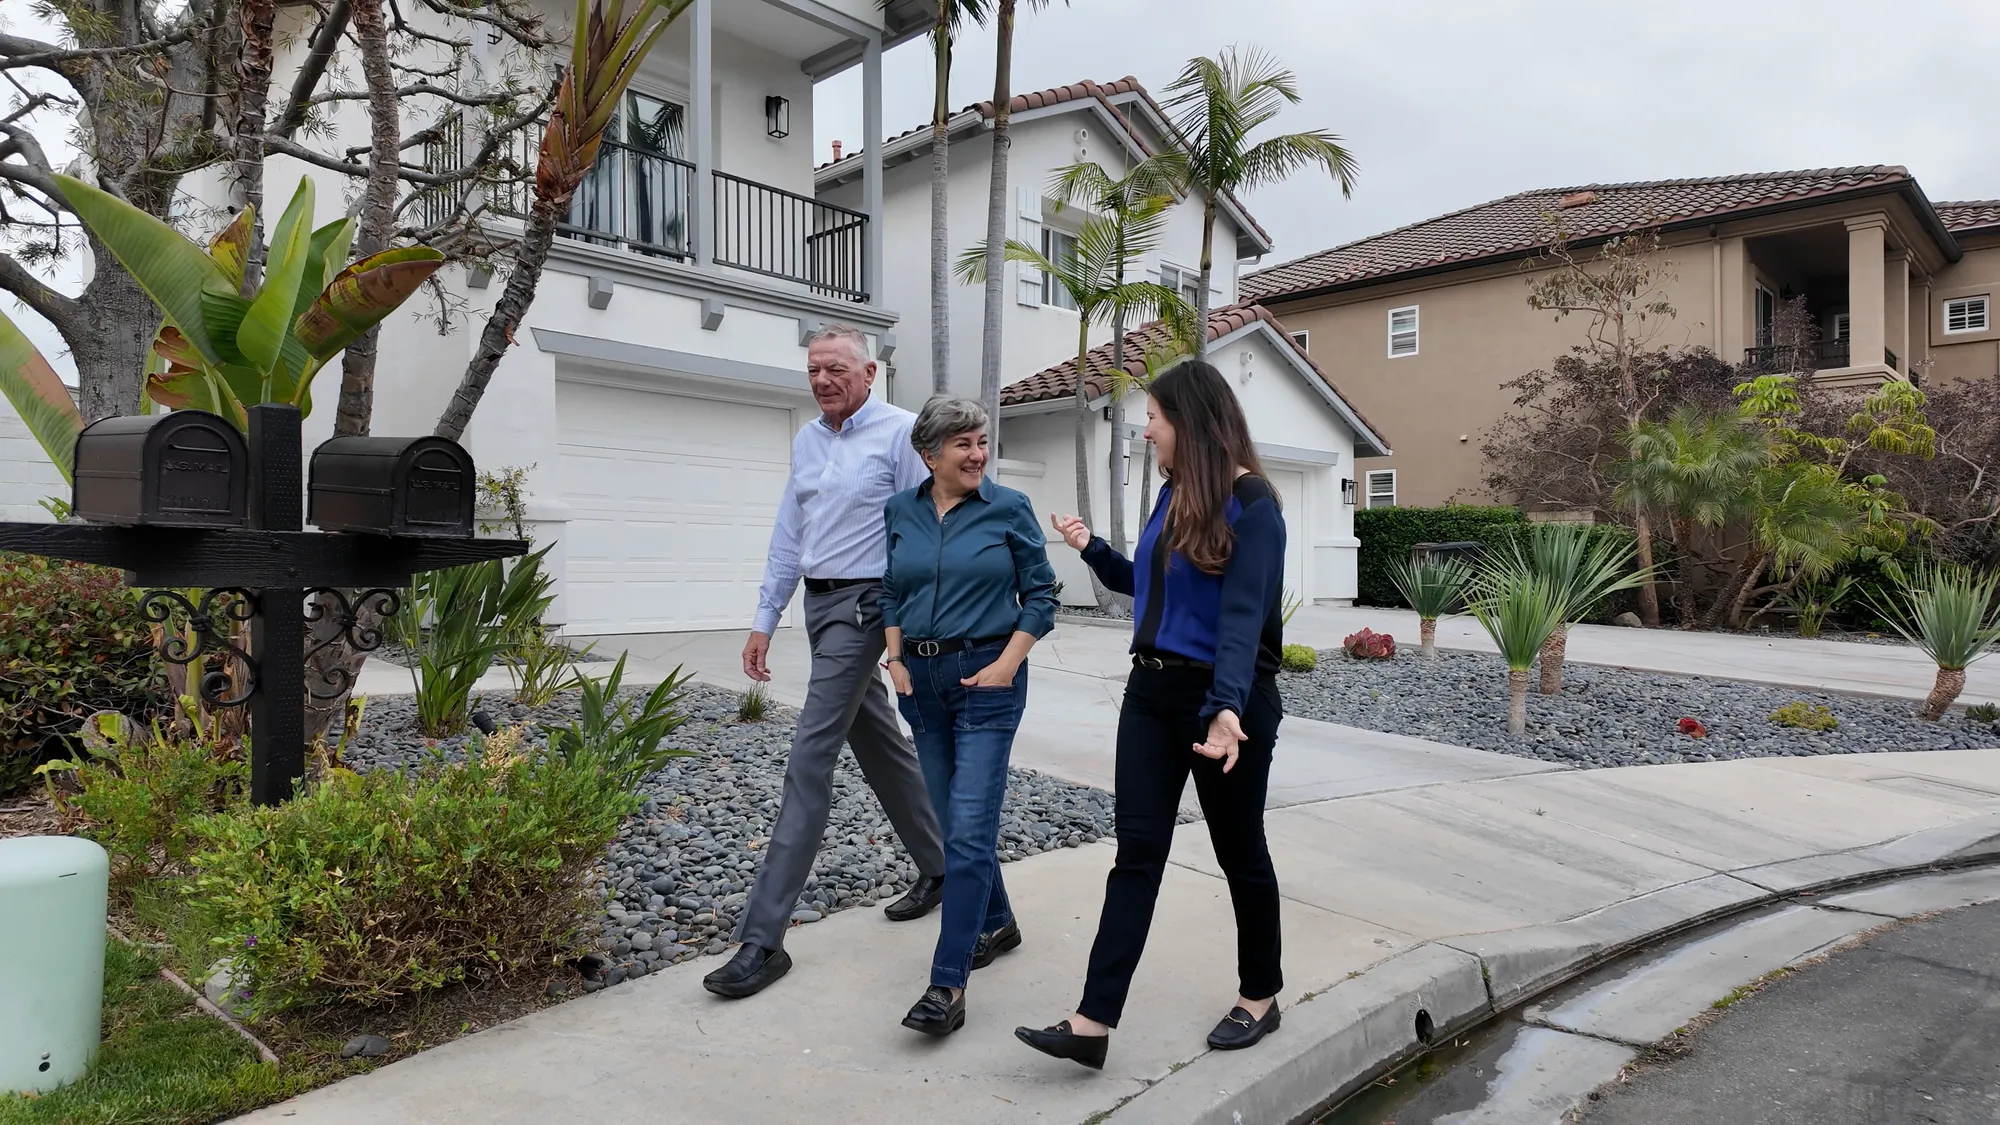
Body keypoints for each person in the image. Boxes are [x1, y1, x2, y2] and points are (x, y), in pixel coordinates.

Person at [1015, 359, 1288, 1069]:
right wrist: (1092, 550)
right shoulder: (1174, 494)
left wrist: (1225, 708)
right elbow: (1151, 586)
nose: (1147, 430)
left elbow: (1241, 617)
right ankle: (1091, 1022)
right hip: (1150, 694)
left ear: (1190, 423)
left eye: (1156, 418)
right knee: (1136, 854)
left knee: (1240, 851)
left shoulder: (1252, 502)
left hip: (1224, 701)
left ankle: (1261, 993)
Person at [703, 325, 949, 1001]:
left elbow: (928, 530)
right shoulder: (808, 439)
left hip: (868, 606)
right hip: (819, 604)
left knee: (809, 755)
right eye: (813, 369)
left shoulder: (901, 434)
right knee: (877, 739)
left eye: (835, 368)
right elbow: (791, 534)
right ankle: (942, 866)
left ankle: (763, 939)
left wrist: (908, 624)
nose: (821, 380)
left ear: (869, 373)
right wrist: (765, 619)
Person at [879, 397, 1058, 1037]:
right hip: (920, 682)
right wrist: (894, 657)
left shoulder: (1009, 508)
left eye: (982, 442)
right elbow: (890, 589)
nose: (979, 454)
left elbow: (1042, 594)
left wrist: (1008, 664)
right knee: (955, 823)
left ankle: (946, 984)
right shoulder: (900, 510)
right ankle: (998, 923)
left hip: (988, 677)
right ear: (929, 455)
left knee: (969, 829)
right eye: (964, 444)